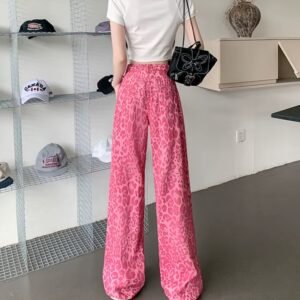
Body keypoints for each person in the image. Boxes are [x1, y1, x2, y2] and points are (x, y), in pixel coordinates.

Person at [102, 0, 205, 299]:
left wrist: (118, 83)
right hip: (164, 85)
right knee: (172, 183)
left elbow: (120, 57)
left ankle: (122, 280)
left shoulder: (119, 0)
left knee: (125, 183)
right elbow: (198, 42)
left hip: (132, 86)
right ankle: (181, 282)